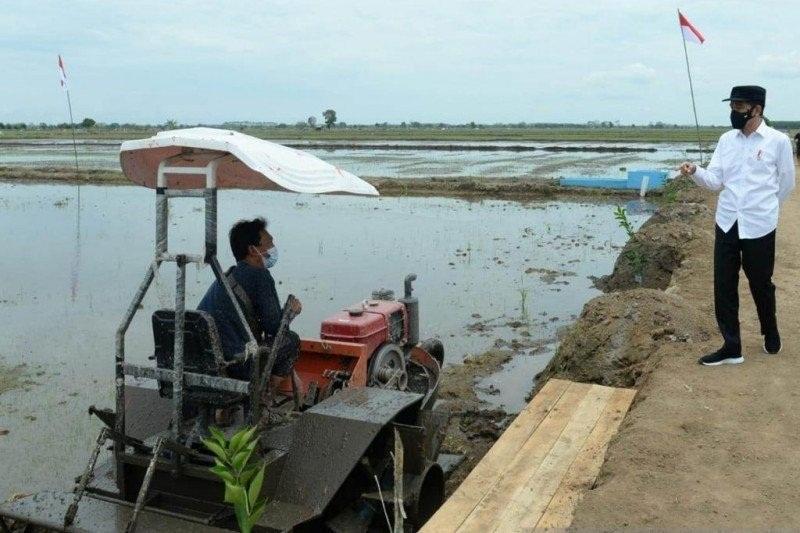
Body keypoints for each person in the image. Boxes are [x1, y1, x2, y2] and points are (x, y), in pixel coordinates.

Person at [680, 85, 795, 366]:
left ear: (757, 109)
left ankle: (770, 330)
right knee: (724, 284)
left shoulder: (777, 141)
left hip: (759, 224)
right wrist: (696, 171)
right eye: (732, 106)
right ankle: (732, 346)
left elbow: (786, 184)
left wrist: (765, 209)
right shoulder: (726, 140)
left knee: (760, 283)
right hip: (728, 221)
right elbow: (716, 181)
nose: (734, 112)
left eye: (739, 106)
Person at [198, 217, 302, 392]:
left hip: (206, 360)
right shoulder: (259, 276)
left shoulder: (227, 276)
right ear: (253, 250)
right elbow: (275, 329)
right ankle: (264, 395)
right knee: (291, 340)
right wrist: (290, 312)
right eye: (269, 243)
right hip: (236, 363)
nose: (272, 248)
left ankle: (224, 412)